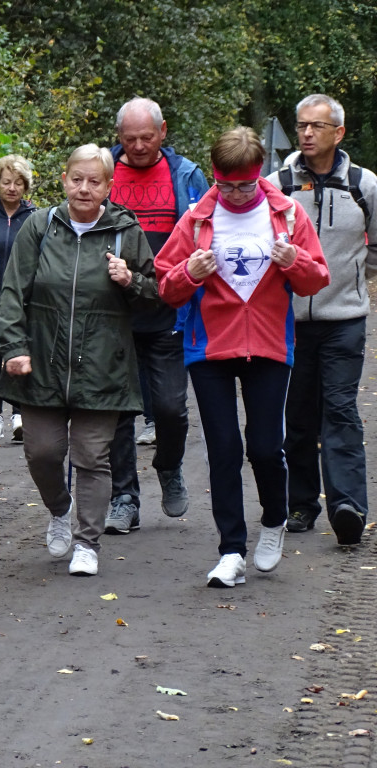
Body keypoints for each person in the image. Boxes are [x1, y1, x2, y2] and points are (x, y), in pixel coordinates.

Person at [156, 127, 328, 587]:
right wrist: (189, 273)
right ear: (215, 177)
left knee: (266, 448)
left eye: (244, 185)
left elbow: (316, 280)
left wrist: (293, 260)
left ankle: (273, 522)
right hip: (209, 347)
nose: (233, 194)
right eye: (225, 184)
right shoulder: (196, 219)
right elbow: (165, 285)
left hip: (270, 346)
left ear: (258, 177)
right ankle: (230, 550)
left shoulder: (287, 215)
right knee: (224, 451)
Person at [0, 144, 156, 577]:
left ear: (108, 186)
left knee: (91, 457)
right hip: (41, 362)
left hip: (102, 365)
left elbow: (156, 292)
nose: (84, 189)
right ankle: (59, 509)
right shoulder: (40, 226)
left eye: (95, 181)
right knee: (43, 452)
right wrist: (13, 347)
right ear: (64, 179)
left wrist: (131, 281)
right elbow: (13, 291)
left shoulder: (125, 231)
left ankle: (87, 543)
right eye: (77, 179)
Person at [266, 94, 377, 545]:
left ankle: (348, 505)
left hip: (344, 318)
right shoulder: (277, 184)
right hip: (289, 320)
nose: (307, 133)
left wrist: (353, 279)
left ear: (338, 132)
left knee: (341, 409)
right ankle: (300, 503)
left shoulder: (364, 184)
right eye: (302, 125)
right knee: (297, 415)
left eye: (317, 126)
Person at [104, 97, 211, 535]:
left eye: (147, 137)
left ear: (163, 132)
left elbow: (206, 234)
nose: (139, 146)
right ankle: (124, 497)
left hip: (170, 309)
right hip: (112, 312)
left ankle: (168, 466)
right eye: (129, 139)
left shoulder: (186, 176)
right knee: (117, 411)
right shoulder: (102, 171)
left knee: (169, 408)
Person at [0, 155, 36, 442]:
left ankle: (19, 414)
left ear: (26, 186)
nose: (12, 188)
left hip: (24, 302)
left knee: (19, 354)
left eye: (18, 183)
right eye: (6, 182)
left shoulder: (36, 217)